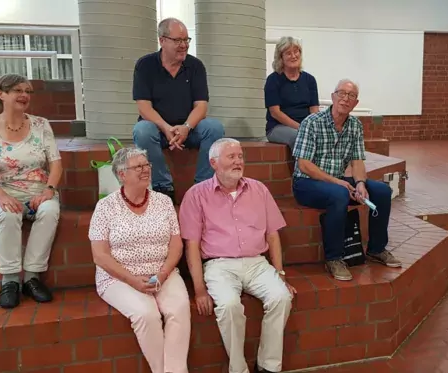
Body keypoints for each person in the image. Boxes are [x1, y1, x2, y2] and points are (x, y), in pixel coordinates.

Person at [180, 138, 295, 373]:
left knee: (281, 297)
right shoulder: (196, 195)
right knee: (230, 306)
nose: (238, 161)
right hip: (218, 265)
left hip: (257, 263)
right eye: (231, 157)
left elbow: (273, 235)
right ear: (213, 163)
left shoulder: (259, 189)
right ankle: (238, 368)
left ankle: (268, 366)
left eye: (240, 156)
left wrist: (280, 273)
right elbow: (191, 245)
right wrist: (199, 289)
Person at [88, 147, 191, 373]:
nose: (145, 170)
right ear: (122, 174)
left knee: (179, 308)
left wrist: (163, 274)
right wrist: (133, 280)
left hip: (163, 271)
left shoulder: (163, 202)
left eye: (147, 165)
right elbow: (100, 255)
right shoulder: (105, 207)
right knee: (147, 314)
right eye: (139, 167)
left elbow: (176, 245)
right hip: (120, 277)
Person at [291, 79, 400, 281]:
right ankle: (334, 258)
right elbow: (304, 164)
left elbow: (357, 160)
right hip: (306, 183)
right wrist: (338, 182)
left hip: (338, 181)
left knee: (382, 192)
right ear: (333, 97)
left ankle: (376, 249)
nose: (345, 98)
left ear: (355, 103)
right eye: (341, 93)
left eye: (351, 96)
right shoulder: (312, 122)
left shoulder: (355, 126)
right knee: (340, 194)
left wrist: (360, 183)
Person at [0, 74, 61, 309]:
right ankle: (10, 280)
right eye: (18, 91)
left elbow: (55, 164)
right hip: (0, 190)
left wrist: (48, 190)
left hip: (39, 188)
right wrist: (2, 197)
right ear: (1, 94)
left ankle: (32, 278)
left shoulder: (41, 124)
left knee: (50, 211)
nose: (24, 95)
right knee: (9, 213)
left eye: (28, 91)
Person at [132, 17, 225, 203]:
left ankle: (202, 186)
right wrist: (166, 128)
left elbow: (202, 106)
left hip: (188, 129)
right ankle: (163, 187)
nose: (184, 45)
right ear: (162, 40)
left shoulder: (196, 66)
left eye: (186, 40)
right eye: (178, 41)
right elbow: (144, 107)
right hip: (158, 129)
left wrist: (186, 127)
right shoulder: (145, 65)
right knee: (142, 131)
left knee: (215, 128)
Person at [264, 36, 320, 150]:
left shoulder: (310, 80)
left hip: (305, 127)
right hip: (278, 127)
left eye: (296, 52)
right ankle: (303, 168)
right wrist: (301, 128)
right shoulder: (273, 80)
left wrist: (313, 128)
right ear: (281, 58)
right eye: (288, 53)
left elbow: (314, 111)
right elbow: (275, 113)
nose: (294, 56)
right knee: (299, 137)